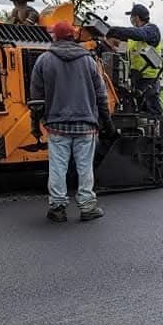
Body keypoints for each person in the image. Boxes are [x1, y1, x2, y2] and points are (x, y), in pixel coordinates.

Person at [29, 21, 111, 222]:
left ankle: (57, 208)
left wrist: (35, 125)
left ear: (54, 37)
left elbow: (37, 100)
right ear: (73, 37)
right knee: (85, 168)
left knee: (58, 167)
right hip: (86, 124)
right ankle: (87, 207)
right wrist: (107, 121)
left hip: (57, 126)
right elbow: (101, 94)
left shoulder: (43, 60)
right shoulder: (89, 61)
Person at [105, 3, 163, 121]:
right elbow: (126, 36)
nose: (130, 20)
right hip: (137, 78)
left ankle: (160, 133)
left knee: (151, 110)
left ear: (136, 18)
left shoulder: (152, 30)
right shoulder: (135, 36)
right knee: (138, 111)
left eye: (131, 17)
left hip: (149, 79)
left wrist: (114, 30)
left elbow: (137, 34)